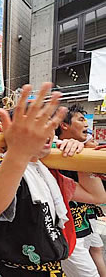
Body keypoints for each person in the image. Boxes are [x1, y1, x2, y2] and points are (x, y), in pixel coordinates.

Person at [0, 83, 106, 276]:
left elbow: (96, 196)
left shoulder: (48, 173)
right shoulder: (0, 169)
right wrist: (19, 152)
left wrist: (81, 154)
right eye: (36, 125)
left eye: (49, 123)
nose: (47, 131)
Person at [56, 104, 106, 277]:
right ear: (64, 125)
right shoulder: (55, 152)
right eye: (81, 119)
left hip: (84, 220)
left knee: (96, 250)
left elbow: (99, 195)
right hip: (66, 229)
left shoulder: (87, 149)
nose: (87, 124)